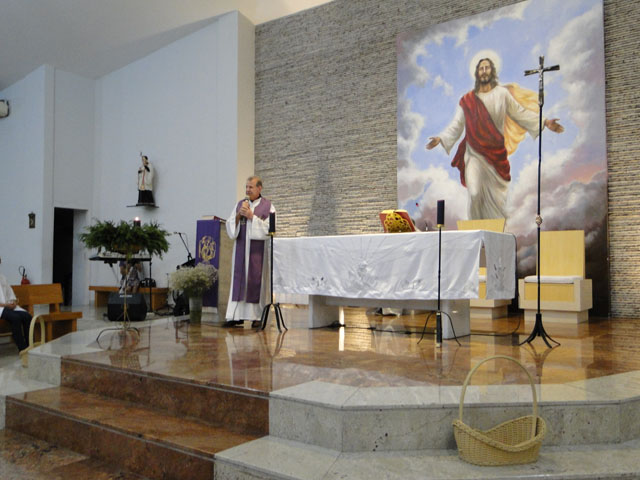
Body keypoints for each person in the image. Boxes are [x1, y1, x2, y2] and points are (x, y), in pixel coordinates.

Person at [426, 57, 564, 220]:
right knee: (475, 193)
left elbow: (520, 113)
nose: (484, 71)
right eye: (481, 68)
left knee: (496, 203)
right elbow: (457, 125)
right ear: (477, 73)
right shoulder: (467, 100)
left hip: (496, 156)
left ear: (492, 71)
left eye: (487, 68)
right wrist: (441, 138)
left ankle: (493, 231)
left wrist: (545, 122)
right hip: (474, 154)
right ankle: (475, 230)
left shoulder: (502, 94)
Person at [224, 175, 275, 328]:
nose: (247, 190)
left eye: (250, 187)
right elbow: (230, 225)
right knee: (239, 281)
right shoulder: (240, 204)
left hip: (257, 253)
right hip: (240, 250)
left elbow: (270, 229)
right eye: (246, 187)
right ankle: (236, 316)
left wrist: (252, 217)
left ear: (259, 188)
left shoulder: (268, 206)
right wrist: (239, 215)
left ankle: (257, 317)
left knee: (255, 282)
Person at [0, 257, 32, 352]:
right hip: (1, 308)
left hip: (8, 306)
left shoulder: (2, 277)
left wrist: (13, 302)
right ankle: (22, 348)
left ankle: (30, 345)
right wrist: (6, 305)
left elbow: (10, 293)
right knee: (15, 318)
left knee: (27, 316)